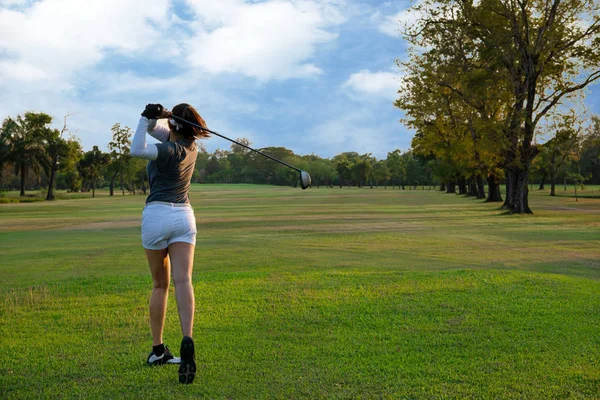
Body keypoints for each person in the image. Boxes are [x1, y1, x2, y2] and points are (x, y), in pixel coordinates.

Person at [130, 103, 209, 384]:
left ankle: (158, 350)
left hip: (156, 216)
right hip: (184, 218)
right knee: (184, 281)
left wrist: (143, 119)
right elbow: (160, 132)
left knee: (160, 285)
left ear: (175, 125)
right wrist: (159, 117)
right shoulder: (189, 147)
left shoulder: (169, 150)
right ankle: (187, 337)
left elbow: (137, 149)